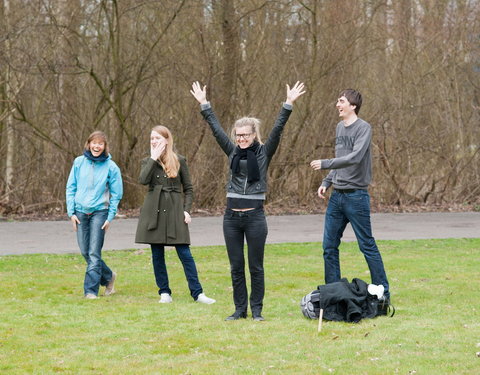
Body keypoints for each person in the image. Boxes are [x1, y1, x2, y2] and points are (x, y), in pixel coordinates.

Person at [190, 81, 305, 321]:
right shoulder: (232, 152)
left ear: (254, 135)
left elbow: (278, 129)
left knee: (256, 267)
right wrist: (204, 104)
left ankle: (257, 312)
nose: (241, 139)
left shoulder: (263, 153)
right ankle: (240, 310)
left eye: (245, 135)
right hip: (231, 218)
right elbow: (215, 129)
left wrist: (288, 104)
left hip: (254, 217)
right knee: (236, 267)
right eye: (238, 135)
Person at [310, 89, 390, 304]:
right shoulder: (339, 127)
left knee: (367, 245)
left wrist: (325, 163)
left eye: (341, 101)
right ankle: (333, 293)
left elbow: (354, 158)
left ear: (352, 106)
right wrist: (327, 181)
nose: (338, 104)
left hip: (356, 197)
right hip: (337, 197)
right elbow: (341, 158)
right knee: (329, 247)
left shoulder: (364, 128)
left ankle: (383, 293)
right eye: (338, 100)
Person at [135, 125, 216, 305]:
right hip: (153, 210)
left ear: (167, 140)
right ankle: (164, 292)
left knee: (185, 253)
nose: (154, 141)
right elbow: (142, 180)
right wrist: (153, 158)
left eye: (158, 138)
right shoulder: (147, 161)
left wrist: (186, 210)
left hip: (174, 210)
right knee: (157, 254)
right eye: (152, 138)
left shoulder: (180, 160)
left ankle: (198, 293)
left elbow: (188, 189)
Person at [66, 131, 123, 299]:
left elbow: (116, 194)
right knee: (85, 251)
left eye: (100, 144)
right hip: (80, 213)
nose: (96, 146)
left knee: (94, 252)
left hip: (100, 212)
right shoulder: (78, 162)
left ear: (105, 146)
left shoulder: (111, 167)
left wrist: (110, 216)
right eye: (94, 143)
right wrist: (71, 212)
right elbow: (71, 188)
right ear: (88, 144)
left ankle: (90, 291)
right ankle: (108, 276)